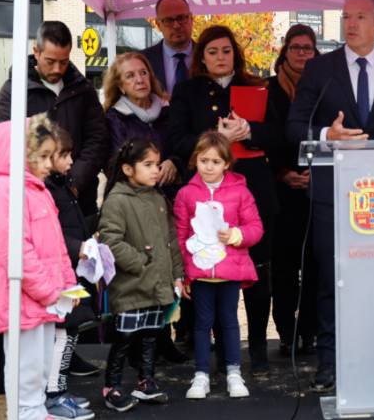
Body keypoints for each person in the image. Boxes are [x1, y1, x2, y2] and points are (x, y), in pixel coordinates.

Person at [287, 0, 374, 392]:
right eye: (346, 16)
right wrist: (328, 135)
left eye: (360, 16)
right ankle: (329, 363)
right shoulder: (320, 69)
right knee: (333, 277)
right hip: (333, 191)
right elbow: (294, 127)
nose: (351, 23)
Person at [167, 24, 282, 376]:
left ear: (236, 54)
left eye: (226, 50)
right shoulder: (187, 91)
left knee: (258, 272)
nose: (220, 57)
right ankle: (222, 353)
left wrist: (250, 131)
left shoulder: (258, 86)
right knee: (214, 272)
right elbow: (175, 139)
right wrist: (214, 139)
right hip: (208, 194)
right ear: (201, 57)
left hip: (253, 190)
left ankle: (259, 348)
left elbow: (279, 135)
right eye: (213, 51)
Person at [0, 114, 77, 420]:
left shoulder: (37, 190)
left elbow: (56, 247)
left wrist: (67, 285)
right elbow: (15, 250)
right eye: (41, 156)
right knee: (26, 367)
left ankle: (36, 410)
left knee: (41, 364)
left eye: (49, 156)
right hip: (24, 299)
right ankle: (26, 413)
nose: (48, 164)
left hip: (45, 298)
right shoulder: (6, 191)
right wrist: (49, 291)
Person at [98, 138, 185, 412]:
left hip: (157, 285)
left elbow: (171, 240)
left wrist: (177, 275)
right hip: (131, 286)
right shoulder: (117, 201)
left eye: (157, 164)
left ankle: (145, 382)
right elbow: (110, 242)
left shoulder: (158, 198)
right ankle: (111, 387)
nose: (155, 170)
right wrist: (141, 263)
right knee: (124, 339)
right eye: (148, 164)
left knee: (150, 335)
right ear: (128, 169)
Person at [174, 131, 263, 400]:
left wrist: (237, 235)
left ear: (227, 163)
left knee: (229, 321)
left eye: (215, 161)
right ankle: (201, 374)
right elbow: (179, 235)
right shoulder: (186, 194)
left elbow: (256, 227)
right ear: (195, 160)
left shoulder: (240, 192)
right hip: (200, 273)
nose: (209, 167)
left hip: (229, 271)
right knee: (201, 323)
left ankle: (234, 372)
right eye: (204, 161)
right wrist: (183, 273)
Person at [0, 20, 109, 217]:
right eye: (50, 61)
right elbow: (7, 146)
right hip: (32, 200)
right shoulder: (13, 91)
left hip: (81, 198)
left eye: (64, 61)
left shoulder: (84, 90)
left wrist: (75, 181)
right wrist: (43, 184)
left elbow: (98, 139)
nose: (57, 68)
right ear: (36, 52)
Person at [268, 24, 320, 357]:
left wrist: (317, 173)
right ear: (285, 51)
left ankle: (310, 332)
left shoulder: (324, 88)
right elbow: (264, 138)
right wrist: (283, 173)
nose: (301, 53)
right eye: (295, 47)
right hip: (281, 190)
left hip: (317, 188)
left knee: (315, 266)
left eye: (307, 48)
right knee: (284, 268)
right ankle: (287, 332)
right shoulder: (269, 89)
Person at [44, 126, 98, 420]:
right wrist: (78, 246)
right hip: (57, 272)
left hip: (70, 270)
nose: (70, 161)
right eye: (63, 155)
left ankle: (60, 388)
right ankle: (53, 394)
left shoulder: (61, 185)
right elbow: (50, 233)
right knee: (62, 333)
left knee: (71, 330)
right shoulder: (46, 190)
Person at [141, 0, 195, 95]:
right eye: (168, 20)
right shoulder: (143, 61)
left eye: (181, 18)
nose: (176, 25)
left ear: (191, 19)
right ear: (158, 25)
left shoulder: (209, 56)